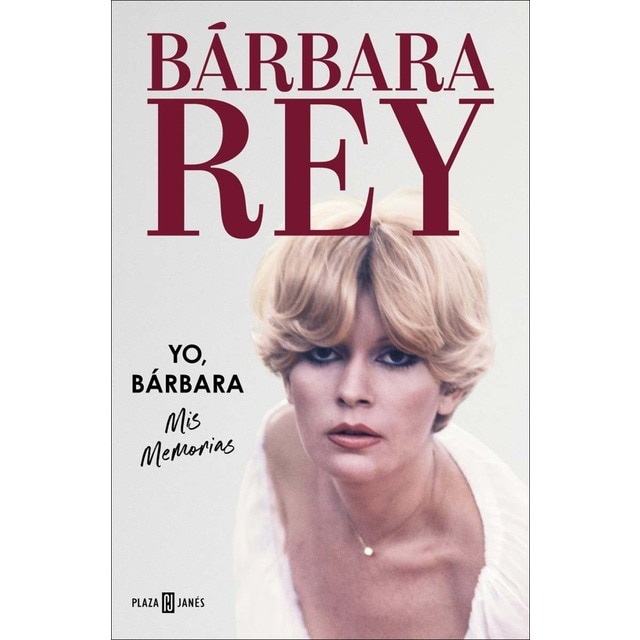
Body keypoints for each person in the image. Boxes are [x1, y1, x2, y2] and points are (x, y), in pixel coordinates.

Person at [233, 190, 528, 639]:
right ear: (288, 373)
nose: (351, 391)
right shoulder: (281, 456)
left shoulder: (514, 584)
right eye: (323, 352)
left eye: (395, 357)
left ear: (450, 386)